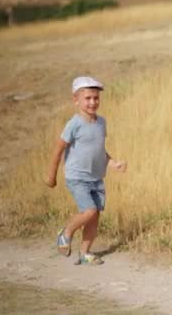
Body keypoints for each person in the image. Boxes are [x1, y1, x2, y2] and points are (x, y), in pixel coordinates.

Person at [46, 76, 127, 265]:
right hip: (77, 177)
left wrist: (113, 163)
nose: (92, 102)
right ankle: (66, 232)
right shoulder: (74, 124)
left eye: (96, 98)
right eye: (88, 98)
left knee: (94, 215)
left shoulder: (101, 123)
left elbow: (99, 149)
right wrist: (51, 175)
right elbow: (58, 149)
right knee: (89, 210)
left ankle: (85, 253)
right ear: (76, 100)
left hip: (96, 177)